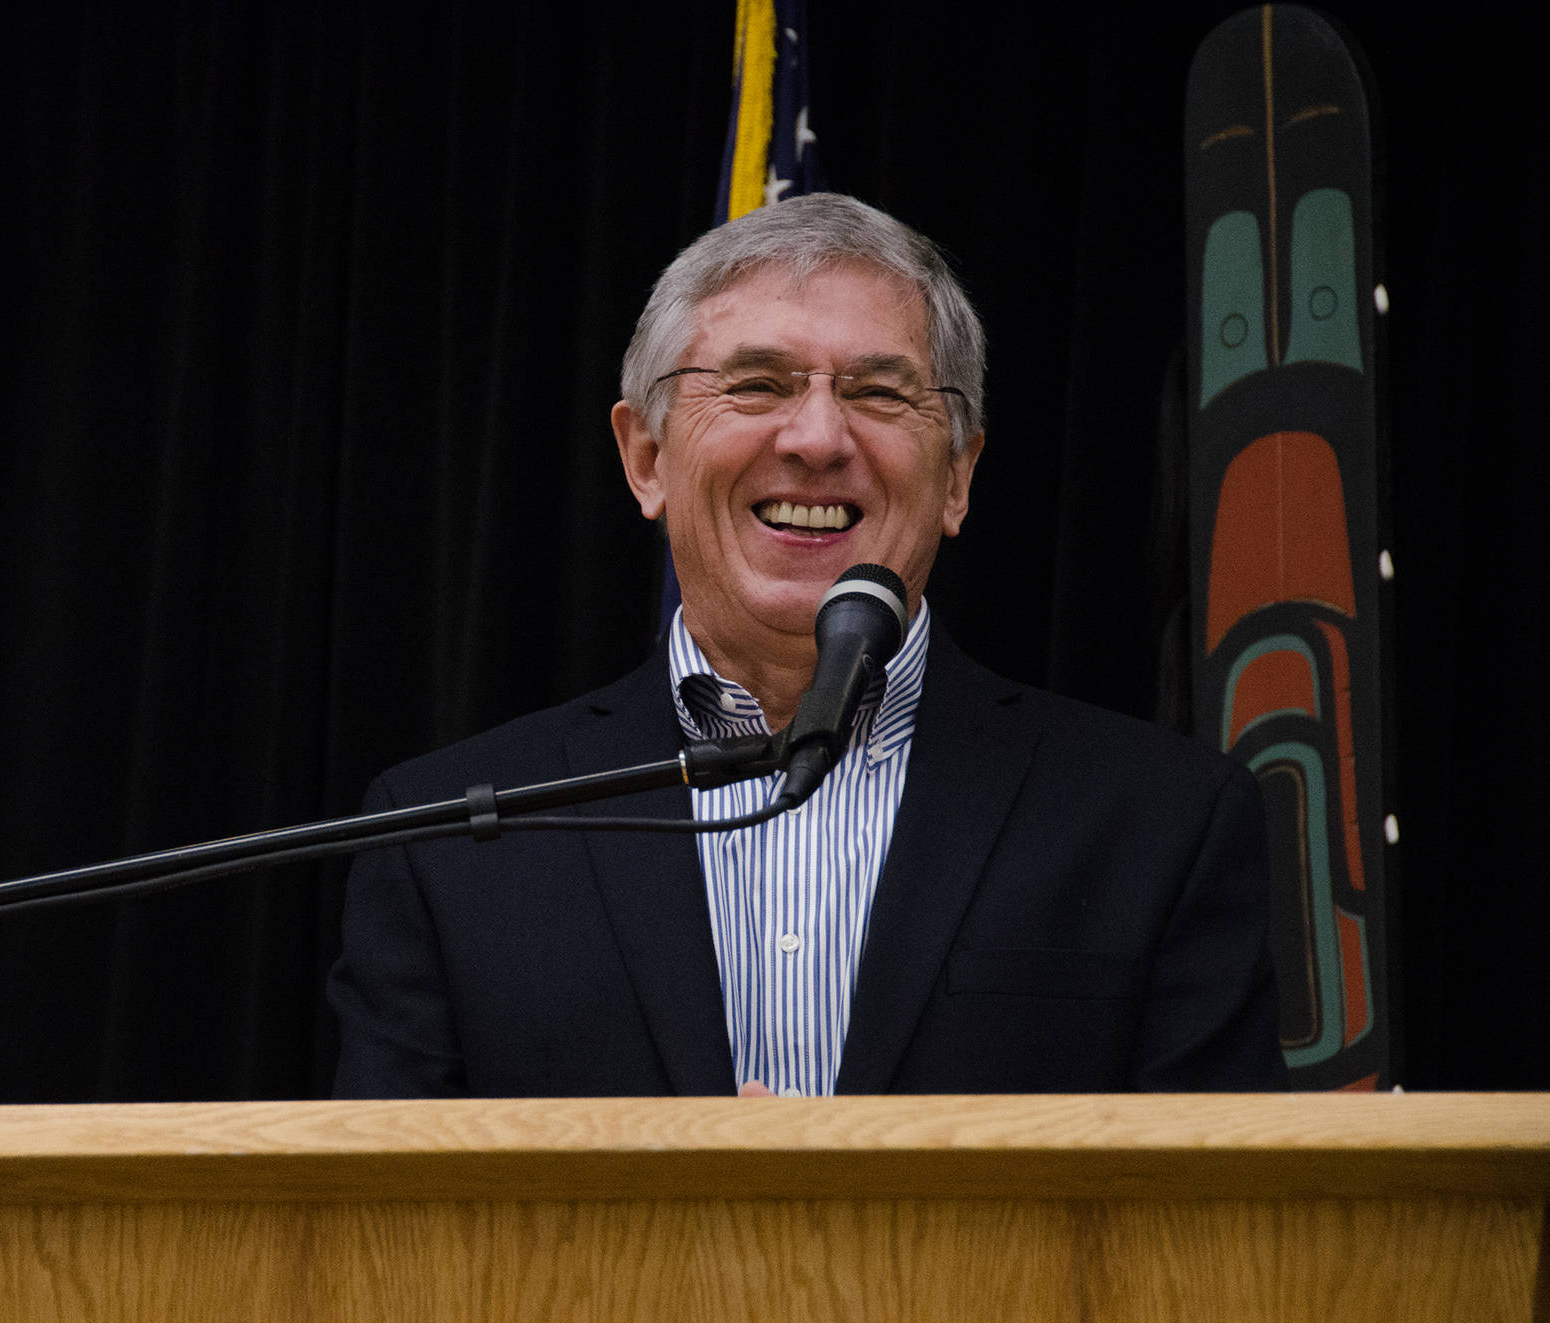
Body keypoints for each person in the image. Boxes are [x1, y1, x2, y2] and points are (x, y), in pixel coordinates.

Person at [328, 193, 1283, 1097]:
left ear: (958, 476)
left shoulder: (1162, 824)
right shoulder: (444, 840)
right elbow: (388, 1251)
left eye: (878, 391)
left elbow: (1212, 1243)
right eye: (757, 383)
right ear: (646, 458)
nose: (819, 436)